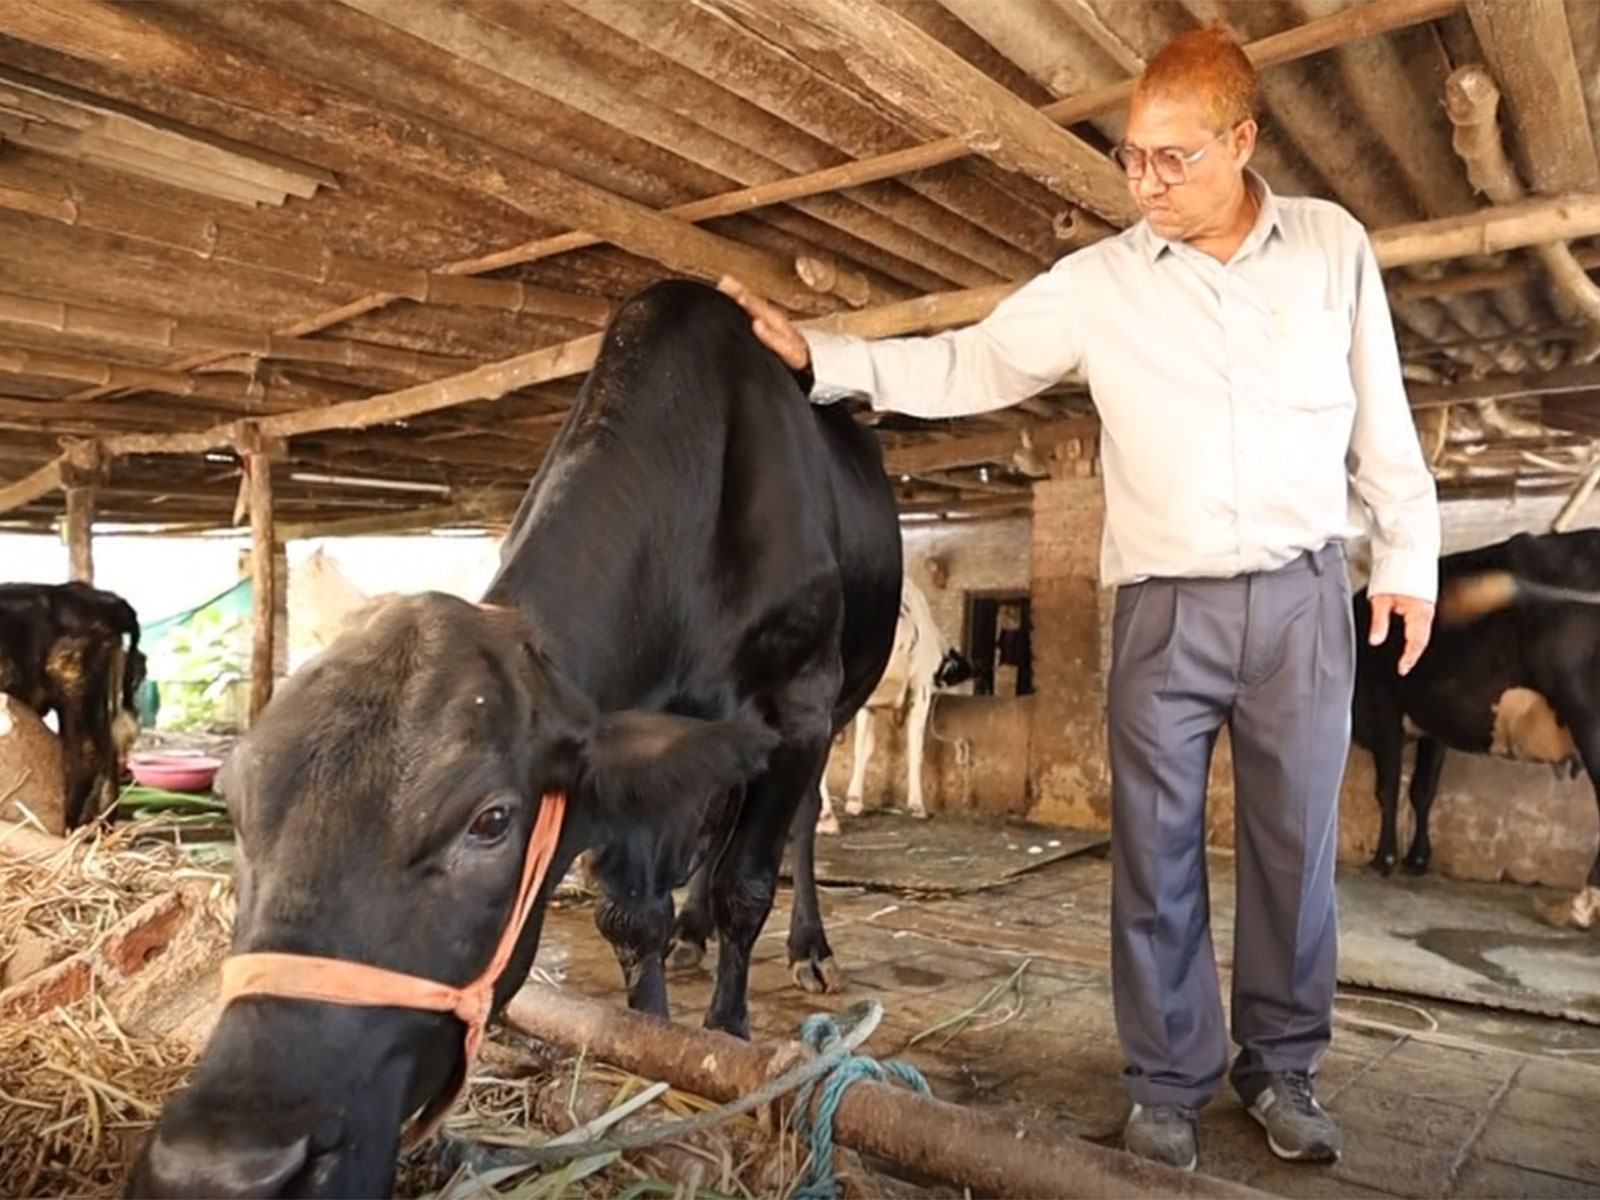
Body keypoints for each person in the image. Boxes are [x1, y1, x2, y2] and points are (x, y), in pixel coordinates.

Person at [719, 26, 1439, 1175]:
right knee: (1152, 853)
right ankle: (1164, 1082)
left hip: (1305, 599)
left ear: (1242, 142)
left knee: (1293, 848)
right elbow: (969, 365)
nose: (1145, 183)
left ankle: (1280, 1067)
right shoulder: (1098, 285)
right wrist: (828, 357)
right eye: (1131, 159)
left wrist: (1407, 555)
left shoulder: (1331, 249)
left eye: (1173, 158)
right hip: (1162, 608)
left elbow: (1380, 416)